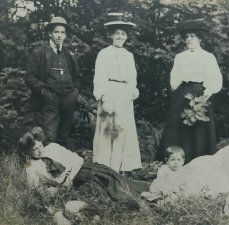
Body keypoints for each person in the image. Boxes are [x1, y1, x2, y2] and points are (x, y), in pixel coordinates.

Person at [18, 127, 149, 204]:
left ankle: (147, 194)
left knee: (114, 181)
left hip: (86, 170)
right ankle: (135, 200)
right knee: (108, 196)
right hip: (76, 184)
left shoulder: (53, 147)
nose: (40, 150)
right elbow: (34, 188)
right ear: (27, 152)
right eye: (35, 149)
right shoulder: (32, 168)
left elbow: (77, 160)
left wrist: (69, 175)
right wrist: (47, 190)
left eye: (40, 145)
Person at [156, 19, 223, 163]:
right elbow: (174, 81)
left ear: (200, 38)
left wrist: (206, 95)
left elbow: (215, 79)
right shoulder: (180, 57)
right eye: (186, 37)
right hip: (182, 94)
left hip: (201, 94)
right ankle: (176, 161)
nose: (189, 39)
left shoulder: (208, 57)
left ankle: (199, 162)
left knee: (199, 129)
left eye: (192, 36)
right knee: (178, 126)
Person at [151, 128, 229, 200]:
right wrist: (210, 167)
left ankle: (173, 196)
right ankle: (165, 188)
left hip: (228, 180)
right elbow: (220, 156)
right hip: (214, 165)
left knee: (199, 189)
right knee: (191, 173)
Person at [93, 12, 141, 174]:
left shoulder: (129, 56)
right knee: (109, 129)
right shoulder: (104, 54)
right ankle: (106, 167)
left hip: (124, 94)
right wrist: (104, 95)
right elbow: (99, 76)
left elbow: (133, 77)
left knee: (124, 130)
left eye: (123, 34)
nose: (120, 37)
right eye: (117, 33)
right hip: (110, 92)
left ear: (126, 37)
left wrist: (132, 91)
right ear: (111, 35)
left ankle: (123, 167)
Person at [25, 16, 80, 146]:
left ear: (65, 35)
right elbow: (29, 77)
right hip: (49, 101)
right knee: (49, 136)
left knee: (63, 136)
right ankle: (47, 162)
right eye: (56, 32)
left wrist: (74, 93)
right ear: (50, 33)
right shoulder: (39, 52)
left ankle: (59, 164)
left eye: (62, 32)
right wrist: (44, 92)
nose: (59, 35)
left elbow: (77, 78)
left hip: (68, 100)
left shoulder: (70, 55)